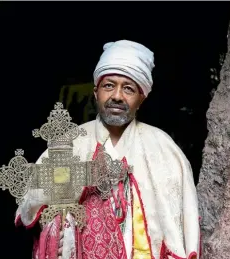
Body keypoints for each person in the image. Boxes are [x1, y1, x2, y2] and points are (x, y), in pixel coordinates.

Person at [15, 40, 201, 259]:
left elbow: (182, 222)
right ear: (96, 92)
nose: (117, 96)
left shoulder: (163, 148)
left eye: (129, 89)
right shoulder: (72, 142)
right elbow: (34, 200)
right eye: (109, 85)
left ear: (142, 97)